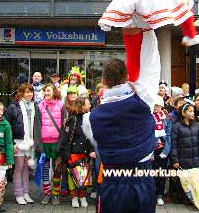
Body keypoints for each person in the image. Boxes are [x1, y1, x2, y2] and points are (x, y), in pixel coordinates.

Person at [82, 28, 160, 213]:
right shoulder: (144, 99)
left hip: (112, 180)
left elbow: (97, 142)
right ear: (126, 77)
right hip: (142, 176)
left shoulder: (90, 118)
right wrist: (148, 32)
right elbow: (151, 65)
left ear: (103, 81)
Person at [60, 96, 95, 208]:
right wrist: (66, 157)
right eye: (88, 104)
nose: (90, 105)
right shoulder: (73, 120)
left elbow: (89, 137)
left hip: (84, 153)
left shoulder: (88, 119)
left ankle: (82, 196)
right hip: (73, 153)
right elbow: (65, 139)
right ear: (82, 106)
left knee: (84, 176)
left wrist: (91, 151)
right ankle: (74, 197)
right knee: (72, 176)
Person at [34, 84, 67, 205]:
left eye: (48, 90)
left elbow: (64, 127)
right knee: (45, 170)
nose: (46, 93)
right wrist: (40, 147)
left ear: (54, 92)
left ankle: (56, 195)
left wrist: (60, 144)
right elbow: (37, 127)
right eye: (44, 91)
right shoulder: (39, 106)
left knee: (57, 170)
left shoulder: (61, 105)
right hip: (44, 144)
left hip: (57, 143)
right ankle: (47, 194)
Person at [5, 83, 36, 205]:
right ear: (21, 93)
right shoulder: (13, 107)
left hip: (30, 142)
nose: (29, 94)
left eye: (31, 91)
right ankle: (18, 194)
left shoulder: (34, 106)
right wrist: (12, 143)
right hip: (18, 142)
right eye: (27, 92)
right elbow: (7, 126)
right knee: (18, 168)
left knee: (26, 169)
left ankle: (26, 193)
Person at [170, 103, 199, 204]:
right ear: (183, 113)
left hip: (195, 158)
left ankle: (195, 198)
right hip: (182, 158)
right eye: (189, 111)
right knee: (184, 180)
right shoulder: (176, 126)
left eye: (193, 111)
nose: (192, 113)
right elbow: (174, 144)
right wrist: (175, 160)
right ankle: (184, 198)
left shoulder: (197, 125)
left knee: (194, 179)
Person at [152, 95, 168, 206]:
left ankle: (160, 195)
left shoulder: (166, 118)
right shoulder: (149, 117)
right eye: (154, 106)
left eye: (157, 106)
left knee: (161, 173)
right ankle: (151, 194)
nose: (156, 108)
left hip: (163, 150)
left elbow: (169, 135)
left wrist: (166, 151)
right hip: (151, 149)